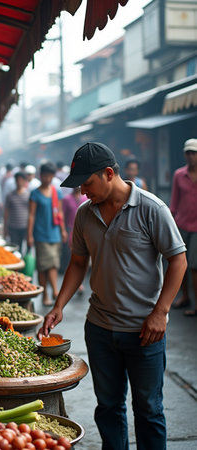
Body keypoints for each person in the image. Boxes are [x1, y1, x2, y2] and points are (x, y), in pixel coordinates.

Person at [39, 142, 187, 450]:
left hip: (144, 331)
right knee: (108, 406)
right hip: (100, 329)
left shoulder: (151, 208)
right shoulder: (84, 215)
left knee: (149, 409)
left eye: (87, 183)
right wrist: (59, 305)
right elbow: (78, 262)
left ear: (108, 173)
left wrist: (161, 312)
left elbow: (178, 259)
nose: (82, 191)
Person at [27, 162, 67, 306]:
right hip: (41, 234)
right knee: (44, 266)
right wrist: (30, 235)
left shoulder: (57, 192)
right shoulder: (35, 194)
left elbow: (60, 212)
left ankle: (53, 291)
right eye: (45, 176)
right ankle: (48, 293)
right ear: (40, 175)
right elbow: (31, 215)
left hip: (54, 232)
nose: (48, 179)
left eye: (50, 176)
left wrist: (62, 229)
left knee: (53, 264)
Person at [170, 138, 197, 316]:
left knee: (194, 266)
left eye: (193, 152)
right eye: (188, 153)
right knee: (181, 264)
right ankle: (185, 296)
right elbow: (174, 202)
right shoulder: (179, 174)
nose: (190, 156)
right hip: (181, 224)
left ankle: (195, 303)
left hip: (196, 228)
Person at [4, 172, 29, 251]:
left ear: (25, 181)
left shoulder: (28, 195)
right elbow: (6, 212)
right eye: (17, 180)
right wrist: (5, 227)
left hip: (25, 226)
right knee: (14, 247)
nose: (19, 182)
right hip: (13, 226)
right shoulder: (10, 195)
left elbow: (31, 212)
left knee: (24, 248)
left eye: (21, 180)